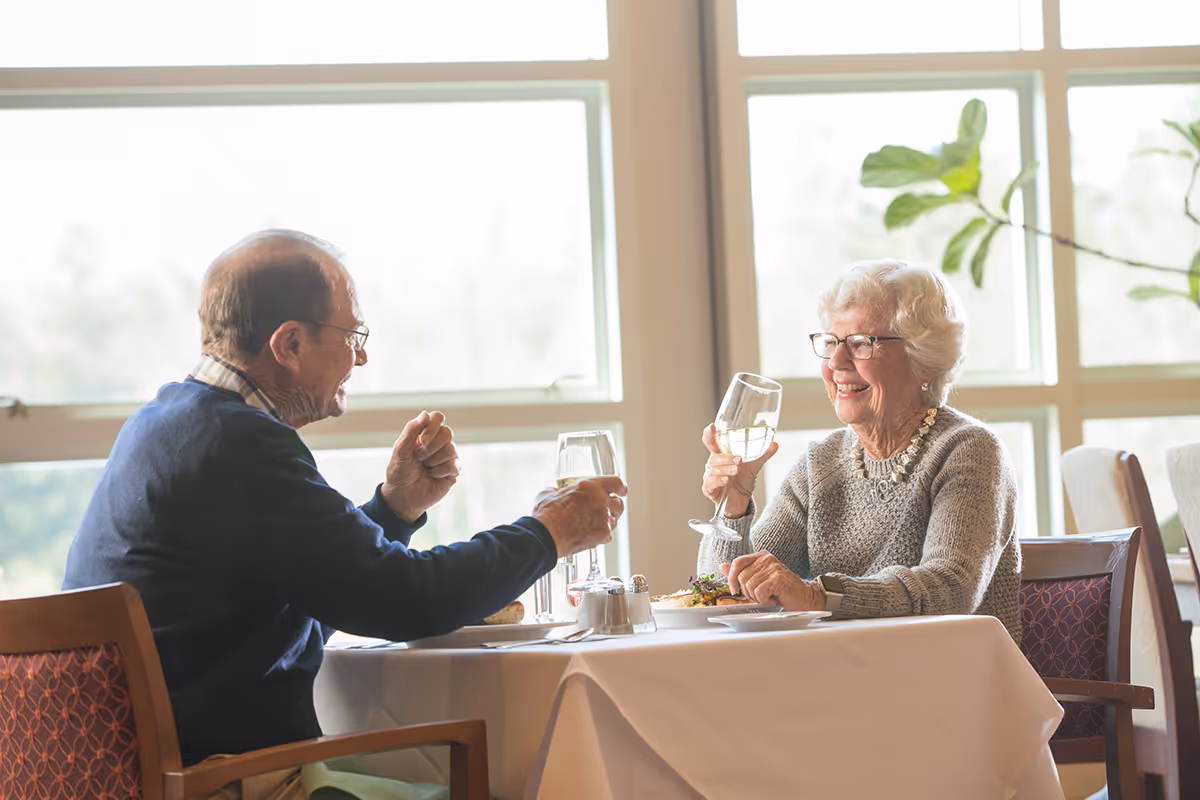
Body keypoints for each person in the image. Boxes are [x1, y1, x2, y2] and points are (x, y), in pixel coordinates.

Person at [62, 230, 626, 778]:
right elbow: (404, 602)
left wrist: (393, 509)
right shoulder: (242, 444)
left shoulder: (165, 422)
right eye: (352, 335)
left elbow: (306, 600)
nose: (360, 358)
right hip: (226, 781)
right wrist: (549, 531)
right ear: (289, 344)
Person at [696, 259, 1020, 643]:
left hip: (949, 682)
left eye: (862, 343)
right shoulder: (821, 464)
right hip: (843, 677)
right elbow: (718, 595)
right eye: (831, 342)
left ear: (924, 361)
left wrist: (817, 596)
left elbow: (950, 588)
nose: (835, 362)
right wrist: (734, 508)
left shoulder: (969, 450)